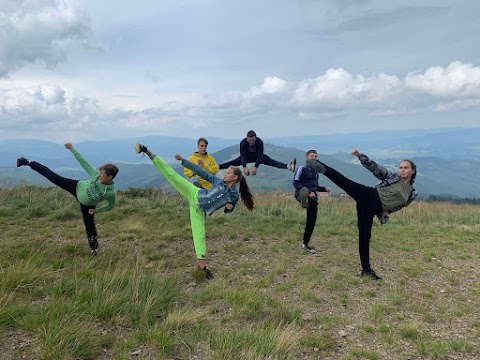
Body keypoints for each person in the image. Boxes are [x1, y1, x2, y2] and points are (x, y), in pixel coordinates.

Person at [135, 143, 254, 280]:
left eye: (228, 173)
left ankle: (202, 268)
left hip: (199, 210)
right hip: (194, 193)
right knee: (172, 175)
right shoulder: (217, 181)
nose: (225, 174)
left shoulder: (234, 196)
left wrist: (229, 209)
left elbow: (229, 210)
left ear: (235, 178)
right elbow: (201, 171)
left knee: (199, 236)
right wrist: (183, 161)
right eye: (226, 173)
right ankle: (149, 152)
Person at [312, 149, 417, 280]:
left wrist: (387, 212)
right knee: (342, 180)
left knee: (365, 237)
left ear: (412, 170)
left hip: (370, 210)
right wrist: (360, 156)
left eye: (405, 168)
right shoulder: (393, 177)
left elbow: (400, 205)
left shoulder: (412, 193)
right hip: (368, 195)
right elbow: (376, 168)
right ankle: (317, 163)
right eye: (400, 167)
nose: (402, 170)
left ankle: (366, 270)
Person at [16, 143, 118, 256]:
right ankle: (28, 162)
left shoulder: (110, 193)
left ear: (110, 177)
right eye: (100, 173)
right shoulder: (95, 175)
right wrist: (72, 149)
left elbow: (111, 205)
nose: (100, 176)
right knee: (55, 178)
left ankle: (94, 250)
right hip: (76, 187)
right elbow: (83, 162)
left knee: (90, 226)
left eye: (102, 175)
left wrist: (96, 211)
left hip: (87, 205)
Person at [293, 150, 331, 254]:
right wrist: (308, 192)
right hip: (301, 193)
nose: (314, 157)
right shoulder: (301, 168)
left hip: (312, 197)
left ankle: (305, 244)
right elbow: (296, 182)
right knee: (305, 192)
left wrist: (324, 189)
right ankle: (304, 198)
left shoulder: (315, 171)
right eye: (312, 156)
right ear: (307, 158)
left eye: (315, 156)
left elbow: (316, 187)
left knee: (312, 220)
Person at [219, 130, 296, 176]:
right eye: (249, 140)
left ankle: (288, 166)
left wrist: (255, 167)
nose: (251, 142)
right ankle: (218, 167)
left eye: (252, 140)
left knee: (271, 161)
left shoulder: (259, 142)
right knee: (234, 162)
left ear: (255, 137)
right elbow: (243, 155)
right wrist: (245, 166)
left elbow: (260, 155)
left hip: (257, 156)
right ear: (247, 138)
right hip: (247, 157)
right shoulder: (243, 143)